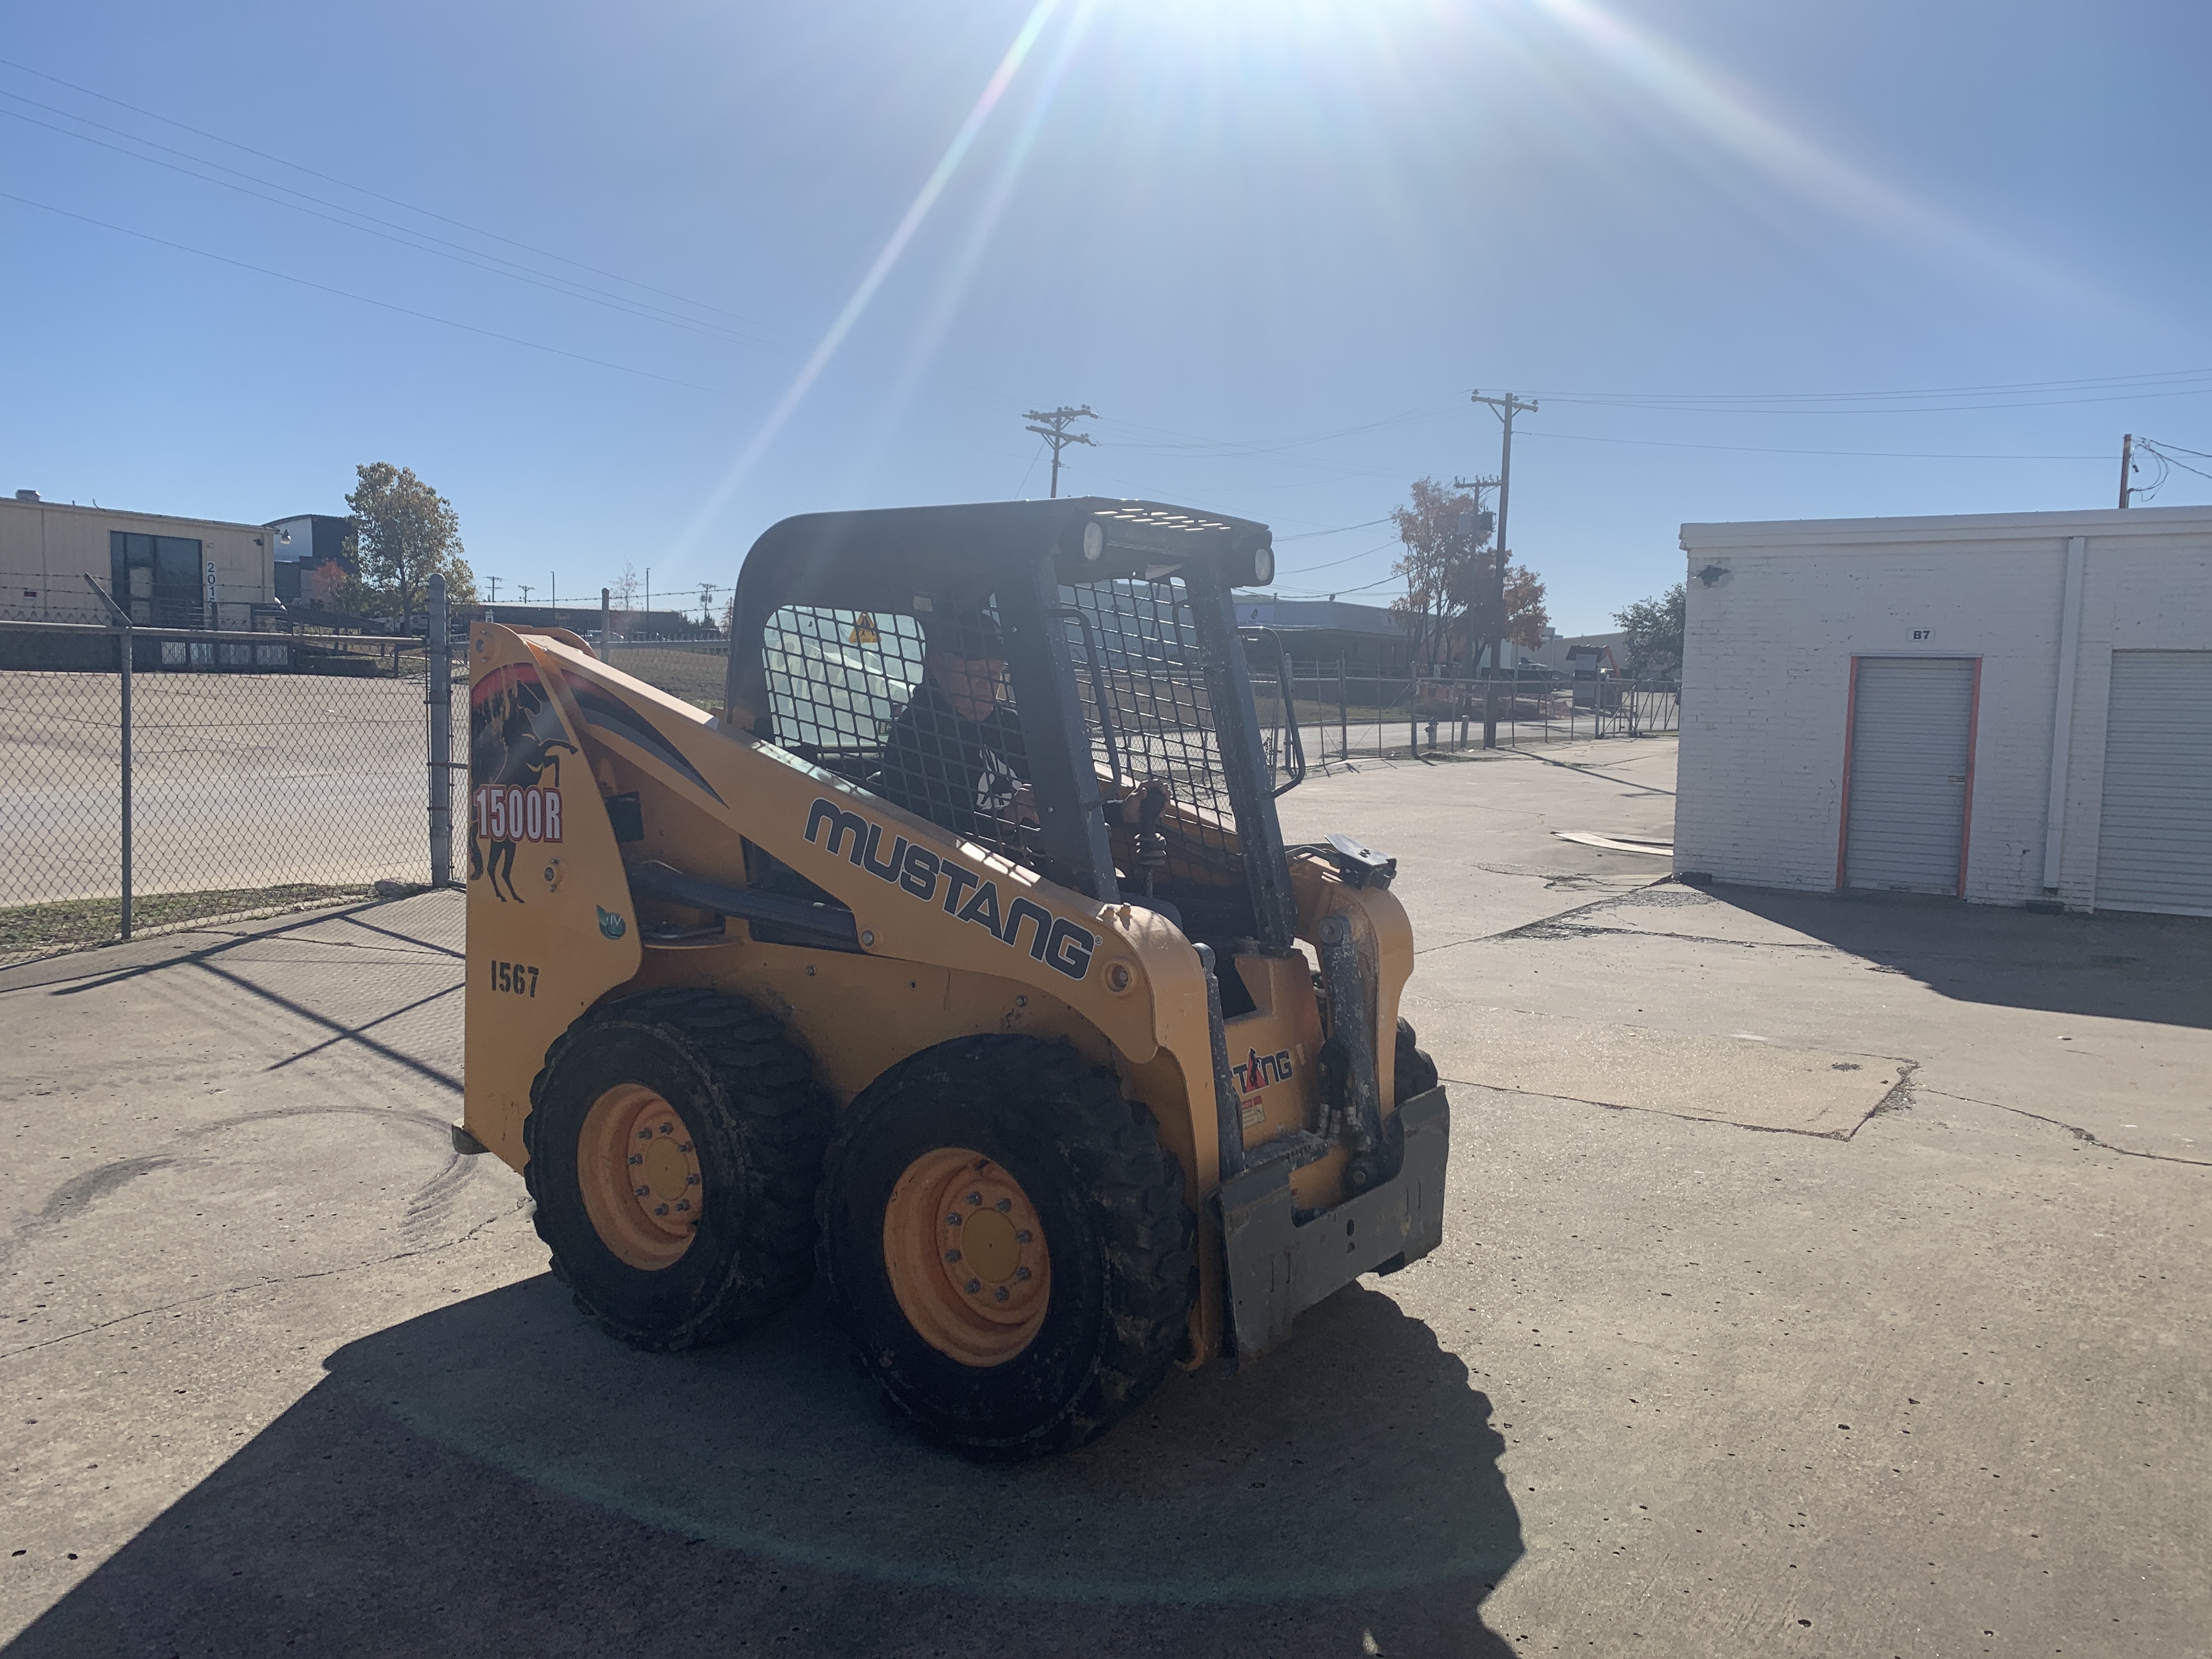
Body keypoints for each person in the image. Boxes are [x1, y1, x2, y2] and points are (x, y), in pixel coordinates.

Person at [877, 608, 1035, 842]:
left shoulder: (1010, 726)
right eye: (976, 671)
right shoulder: (916, 736)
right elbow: (934, 830)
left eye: (995, 671)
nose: (988, 684)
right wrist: (1006, 819)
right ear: (938, 666)